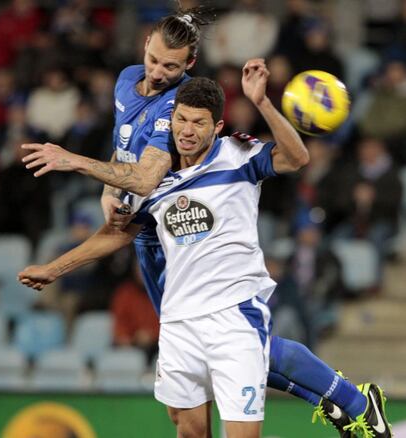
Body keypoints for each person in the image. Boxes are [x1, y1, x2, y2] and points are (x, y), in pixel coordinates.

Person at [19, 61, 393, 438]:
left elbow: (296, 158)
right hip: (179, 320)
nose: (187, 130)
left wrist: (262, 102)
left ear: (216, 127)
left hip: (234, 313)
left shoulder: (238, 156)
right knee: (189, 431)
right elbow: (116, 234)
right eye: (181, 120)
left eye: (199, 123)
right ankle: (350, 401)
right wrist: (54, 268)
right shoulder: (154, 181)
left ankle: (356, 403)